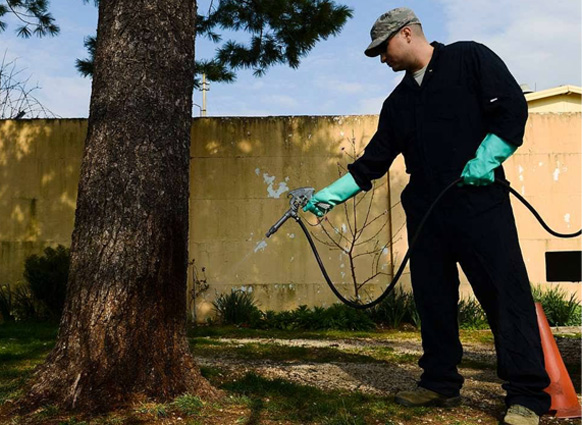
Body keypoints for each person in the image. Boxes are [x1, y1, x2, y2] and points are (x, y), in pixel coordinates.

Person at [303, 7, 550, 425]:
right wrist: (328, 196)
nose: (383, 60)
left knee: (504, 297)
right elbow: (372, 164)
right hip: (426, 214)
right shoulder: (397, 102)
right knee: (433, 299)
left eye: (383, 50)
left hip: (480, 204)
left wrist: (487, 157)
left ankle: (527, 395)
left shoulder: (469, 58)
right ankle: (439, 384)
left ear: (406, 35)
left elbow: (511, 110)